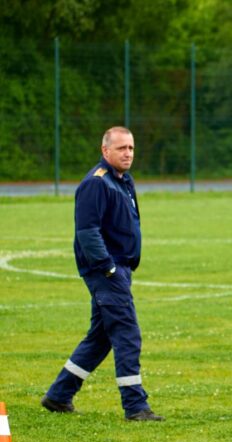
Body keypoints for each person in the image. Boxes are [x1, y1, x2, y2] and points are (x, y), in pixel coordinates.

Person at [41, 126, 164, 421]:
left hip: (119, 268)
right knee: (127, 334)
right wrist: (108, 268)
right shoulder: (96, 183)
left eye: (131, 148)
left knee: (101, 337)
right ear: (105, 150)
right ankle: (135, 406)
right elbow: (87, 231)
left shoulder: (123, 180)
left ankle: (58, 396)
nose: (128, 153)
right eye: (121, 148)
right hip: (107, 272)